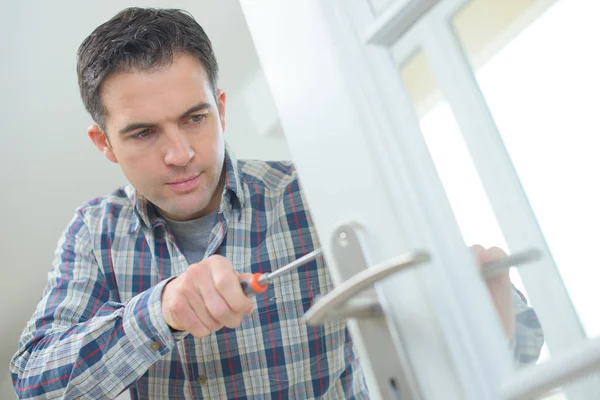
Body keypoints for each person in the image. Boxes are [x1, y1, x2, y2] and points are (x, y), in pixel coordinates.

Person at [10, 7, 543, 399]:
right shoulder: (95, 233)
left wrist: (485, 318)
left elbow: (521, 341)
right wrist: (162, 310)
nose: (180, 154)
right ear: (104, 144)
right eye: (144, 133)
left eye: (195, 118)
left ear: (221, 109)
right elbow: (33, 379)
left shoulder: (315, 196)